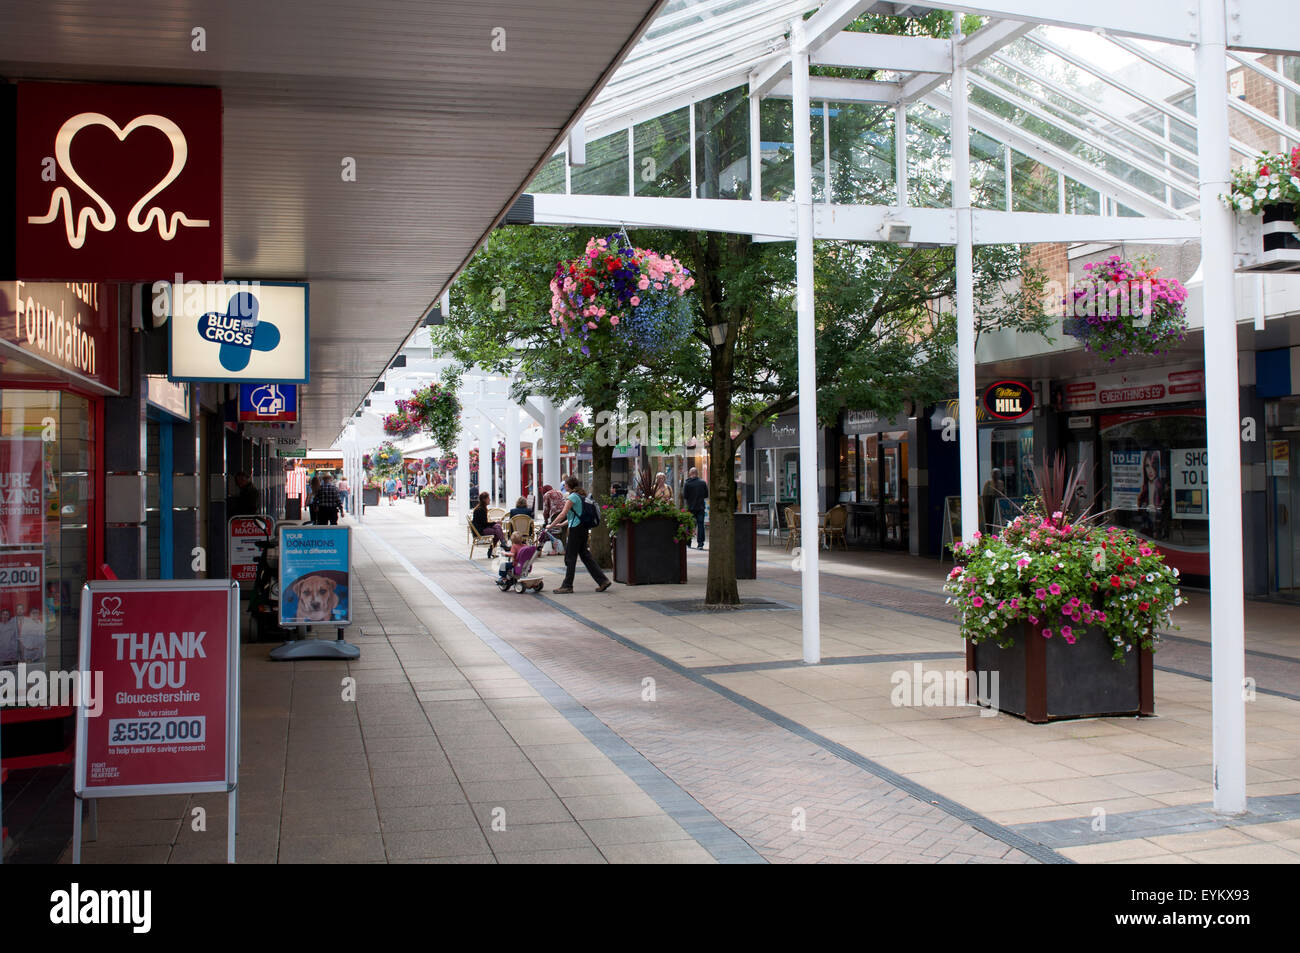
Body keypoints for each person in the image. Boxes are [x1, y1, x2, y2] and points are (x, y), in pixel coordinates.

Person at [547, 475, 611, 594]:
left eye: (565, 484)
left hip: (576, 530)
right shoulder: (580, 496)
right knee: (585, 556)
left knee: (570, 557)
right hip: (583, 528)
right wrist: (561, 525)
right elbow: (575, 515)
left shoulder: (572, 497)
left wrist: (551, 525)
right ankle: (603, 580)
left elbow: (563, 514)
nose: (564, 485)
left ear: (570, 485)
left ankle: (567, 585)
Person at [473, 491, 509, 558]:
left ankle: (496, 547)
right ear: (484, 499)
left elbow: (485, 523)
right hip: (480, 530)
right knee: (498, 530)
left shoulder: (481, 508)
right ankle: (502, 544)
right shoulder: (480, 510)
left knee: (497, 529)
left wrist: (495, 523)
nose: (489, 500)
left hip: (482, 528)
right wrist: (495, 523)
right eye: (488, 498)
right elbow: (484, 524)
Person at [682, 467, 709, 549]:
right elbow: (706, 495)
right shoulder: (703, 483)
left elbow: (685, 496)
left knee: (690, 525)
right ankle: (700, 544)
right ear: (697, 473)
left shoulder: (687, 484)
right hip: (700, 507)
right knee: (701, 526)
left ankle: (688, 543)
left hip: (691, 508)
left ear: (690, 474)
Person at [538, 483, 566, 556]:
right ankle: (563, 550)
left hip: (556, 513)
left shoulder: (547, 494)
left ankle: (555, 550)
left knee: (555, 532)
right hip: (565, 512)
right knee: (564, 532)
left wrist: (546, 520)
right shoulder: (559, 492)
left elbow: (546, 509)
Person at [981, 468, 1004, 534]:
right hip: (990, 503)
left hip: (997, 503)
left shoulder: (1001, 483)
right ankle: (989, 532)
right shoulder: (988, 483)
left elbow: (1002, 493)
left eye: (997, 473)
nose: (996, 475)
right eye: (994, 473)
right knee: (989, 519)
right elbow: (984, 495)